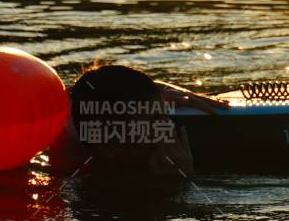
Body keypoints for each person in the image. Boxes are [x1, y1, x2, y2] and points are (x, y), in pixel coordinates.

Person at [45, 63, 223, 179]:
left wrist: (166, 90)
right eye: (154, 120)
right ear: (110, 146)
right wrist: (182, 179)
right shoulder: (73, 172)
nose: (168, 127)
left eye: (163, 115)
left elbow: (81, 89)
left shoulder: (94, 129)